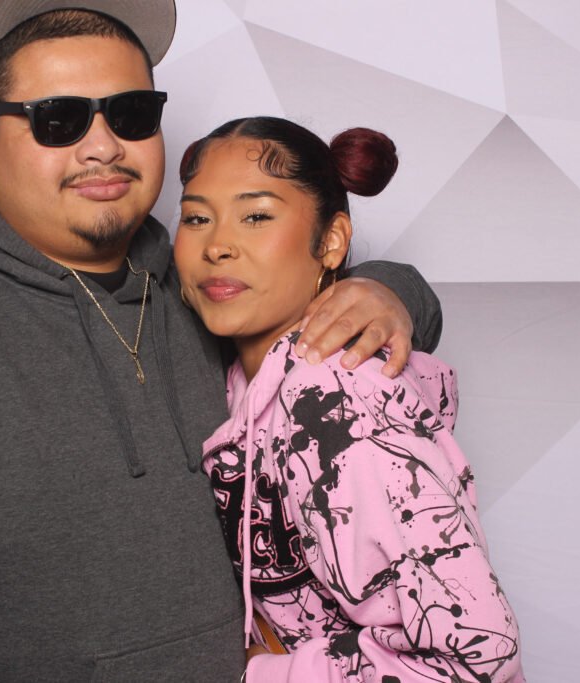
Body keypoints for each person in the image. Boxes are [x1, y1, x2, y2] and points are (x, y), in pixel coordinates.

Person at [0, 2, 443, 682]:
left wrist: (389, 291)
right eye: (59, 119)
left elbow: (338, 292)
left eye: (131, 114)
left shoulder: (204, 287)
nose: (104, 146)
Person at [174, 116, 523, 682]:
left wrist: (261, 676)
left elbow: (479, 656)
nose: (217, 246)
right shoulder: (241, 378)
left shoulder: (334, 403)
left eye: (256, 216)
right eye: (196, 218)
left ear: (331, 241)